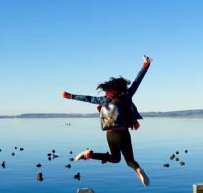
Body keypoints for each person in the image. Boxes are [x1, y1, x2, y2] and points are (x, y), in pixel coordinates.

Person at [61, 55, 152, 186]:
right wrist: (145, 65)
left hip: (109, 134)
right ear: (121, 87)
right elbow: (137, 81)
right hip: (123, 134)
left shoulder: (104, 100)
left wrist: (70, 96)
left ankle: (89, 155)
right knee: (129, 160)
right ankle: (137, 169)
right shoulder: (126, 96)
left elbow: (88, 98)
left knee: (115, 159)